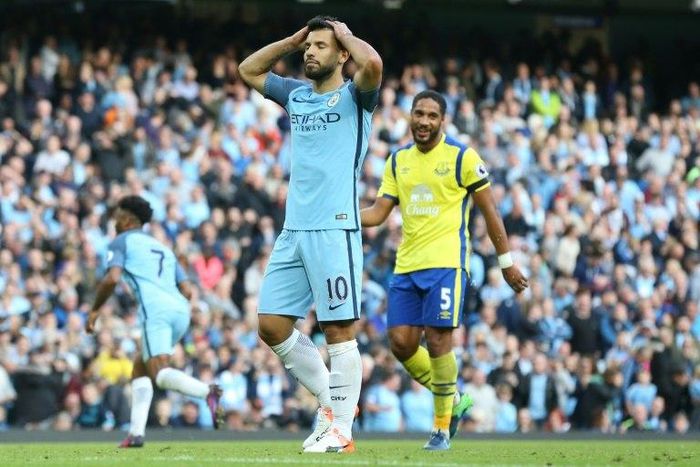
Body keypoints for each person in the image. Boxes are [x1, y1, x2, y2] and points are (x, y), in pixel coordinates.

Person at [238, 15, 382, 453]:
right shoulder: (296, 94)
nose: (310, 53)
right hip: (294, 228)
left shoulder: (356, 97)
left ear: (341, 55)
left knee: (338, 328)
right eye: (309, 47)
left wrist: (346, 35)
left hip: (334, 227)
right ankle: (332, 402)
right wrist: (293, 38)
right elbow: (248, 70)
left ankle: (341, 430)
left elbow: (372, 63)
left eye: (321, 46)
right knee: (271, 324)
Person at [361, 90, 528, 450]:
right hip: (406, 267)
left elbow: (490, 212)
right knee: (401, 344)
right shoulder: (397, 161)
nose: (423, 121)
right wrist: (342, 216)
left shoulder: (462, 157)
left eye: (432, 116)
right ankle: (452, 399)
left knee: (438, 341)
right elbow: (377, 213)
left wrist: (506, 263)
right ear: (410, 116)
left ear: (443, 120)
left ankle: (440, 428)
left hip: (447, 264)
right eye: (418, 114)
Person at [86, 195, 223, 447]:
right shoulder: (163, 247)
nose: (115, 220)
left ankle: (207, 393)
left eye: (118, 215)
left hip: (155, 311)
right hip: (181, 311)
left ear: (128, 219)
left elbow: (111, 278)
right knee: (140, 367)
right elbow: (188, 290)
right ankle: (136, 434)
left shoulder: (120, 241)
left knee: (159, 372)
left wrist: (94, 311)